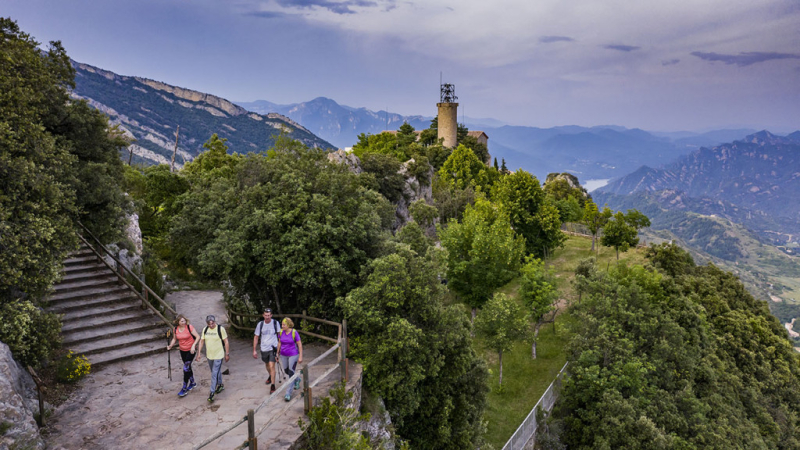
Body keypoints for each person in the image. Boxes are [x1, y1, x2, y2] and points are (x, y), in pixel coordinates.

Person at [195, 315, 230, 403]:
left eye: (212, 323)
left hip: (219, 355)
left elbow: (226, 341)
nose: (211, 325)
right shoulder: (205, 329)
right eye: (209, 324)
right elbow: (201, 341)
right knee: (215, 371)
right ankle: (220, 385)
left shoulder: (220, 329)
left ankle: (211, 393)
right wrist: (198, 353)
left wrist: (227, 354)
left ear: (215, 321)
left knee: (214, 373)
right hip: (209, 355)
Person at [167, 314, 201, 397]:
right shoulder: (175, 329)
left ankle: (184, 388)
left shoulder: (189, 327)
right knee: (188, 367)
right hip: (182, 351)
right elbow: (174, 339)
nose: (184, 322)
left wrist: (193, 346)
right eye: (182, 321)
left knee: (185, 368)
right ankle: (192, 383)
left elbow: (197, 337)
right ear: (178, 322)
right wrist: (170, 345)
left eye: (184, 320)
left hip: (191, 350)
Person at [252, 308, 279, 394]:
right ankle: (270, 375)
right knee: (267, 365)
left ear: (271, 315)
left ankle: (273, 385)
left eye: (269, 315)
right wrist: (254, 350)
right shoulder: (260, 324)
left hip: (273, 348)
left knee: (272, 366)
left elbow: (279, 336)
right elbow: (256, 337)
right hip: (264, 348)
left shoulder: (275, 323)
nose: (267, 317)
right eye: (266, 315)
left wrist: (279, 350)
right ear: (263, 315)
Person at [277, 317, 303, 402]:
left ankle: (288, 393)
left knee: (291, 373)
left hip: (293, 354)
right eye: (282, 324)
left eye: (284, 324)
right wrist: (277, 353)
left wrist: (300, 356)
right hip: (283, 354)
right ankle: (297, 379)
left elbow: (299, 344)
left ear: (288, 325)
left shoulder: (294, 332)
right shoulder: (281, 332)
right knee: (286, 371)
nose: (282, 326)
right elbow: (279, 342)